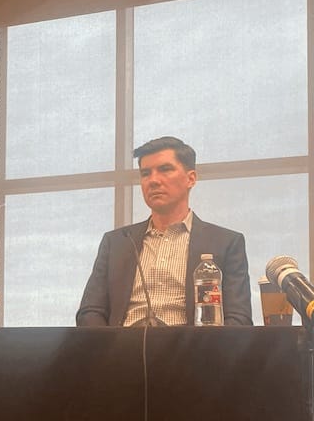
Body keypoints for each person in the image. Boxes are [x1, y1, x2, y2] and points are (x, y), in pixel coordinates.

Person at [77, 136, 252, 327]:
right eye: (145, 173)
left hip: (191, 343)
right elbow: (90, 312)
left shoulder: (225, 242)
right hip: (125, 343)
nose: (153, 180)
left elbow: (239, 319)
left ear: (191, 178)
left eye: (165, 169)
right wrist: (109, 344)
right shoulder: (117, 242)